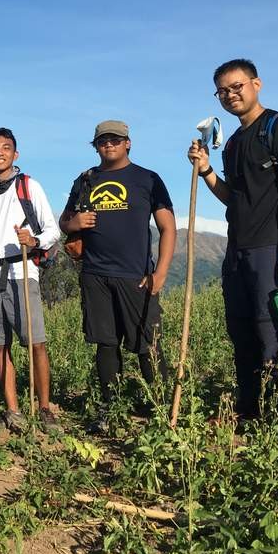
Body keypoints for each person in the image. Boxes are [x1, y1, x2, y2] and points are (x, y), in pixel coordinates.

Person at [187, 59, 278, 419]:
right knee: (242, 332)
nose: (230, 95)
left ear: (256, 84)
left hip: (273, 248)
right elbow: (235, 198)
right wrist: (207, 171)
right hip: (238, 250)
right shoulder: (234, 143)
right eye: (222, 91)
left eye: (237, 86)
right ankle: (252, 408)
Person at [60, 121, 176, 433]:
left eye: (115, 140)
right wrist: (74, 224)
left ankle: (162, 411)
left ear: (128, 143)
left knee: (147, 345)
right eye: (102, 141)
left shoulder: (147, 179)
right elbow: (64, 221)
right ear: (95, 146)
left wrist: (160, 272)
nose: (108, 145)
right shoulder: (86, 180)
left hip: (135, 276)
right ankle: (110, 409)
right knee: (105, 345)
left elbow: (168, 227)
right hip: (95, 274)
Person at [0, 127, 61, 432]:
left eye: (6, 147)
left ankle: (44, 407)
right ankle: (13, 408)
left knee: (36, 343)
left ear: (15, 154)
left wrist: (32, 241)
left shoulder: (29, 187)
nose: (0, 152)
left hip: (22, 271)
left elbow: (52, 230)